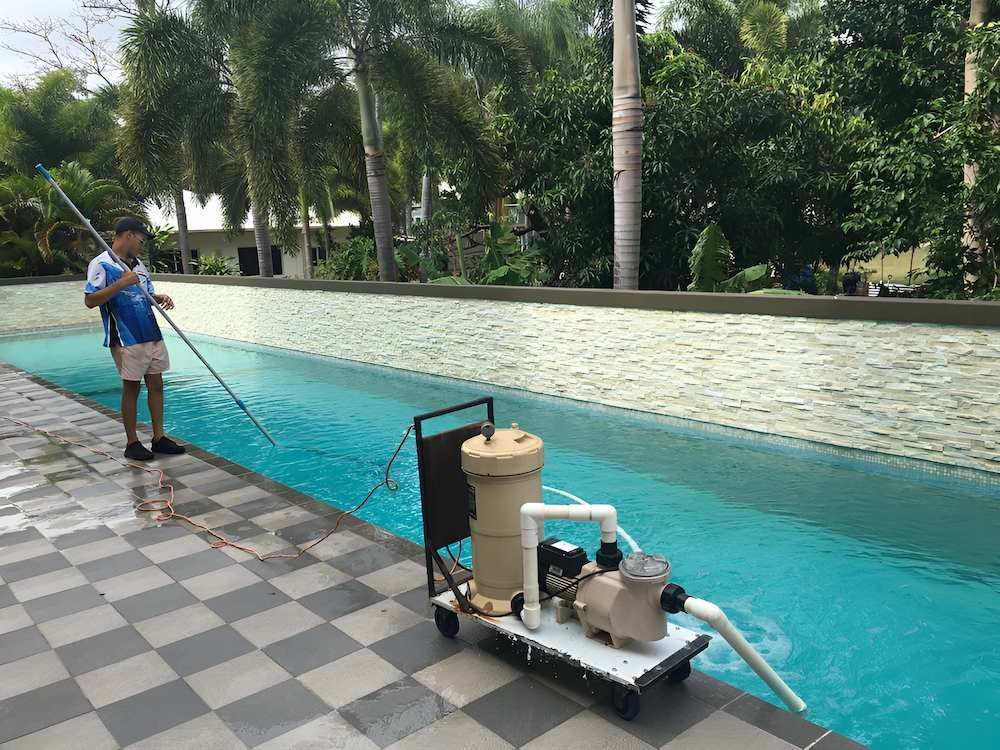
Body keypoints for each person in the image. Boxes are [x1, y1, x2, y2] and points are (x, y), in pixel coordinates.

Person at [84, 217, 186, 460]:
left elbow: (145, 295)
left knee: (156, 385)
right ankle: (132, 443)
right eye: (141, 240)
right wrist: (121, 283)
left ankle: (159, 438)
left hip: (150, 332)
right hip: (125, 337)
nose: (142, 246)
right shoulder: (101, 263)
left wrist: (158, 297)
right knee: (132, 388)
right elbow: (90, 300)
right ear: (128, 235)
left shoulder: (139, 265)